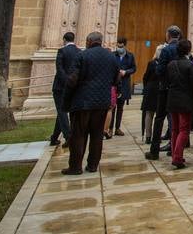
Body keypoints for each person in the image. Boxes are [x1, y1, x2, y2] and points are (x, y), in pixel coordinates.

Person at [62, 31, 120, 175]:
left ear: (88, 41)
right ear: (101, 41)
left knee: (78, 135)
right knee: (97, 135)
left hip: (82, 102)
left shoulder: (82, 55)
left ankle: (75, 167)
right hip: (102, 102)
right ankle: (93, 165)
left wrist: (66, 100)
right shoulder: (111, 57)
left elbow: (72, 80)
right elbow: (116, 80)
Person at [145, 25, 181, 161]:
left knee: (159, 118)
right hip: (179, 89)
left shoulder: (166, 50)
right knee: (175, 118)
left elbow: (159, 70)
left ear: (168, 35)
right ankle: (174, 147)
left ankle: (154, 150)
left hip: (165, 88)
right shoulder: (182, 48)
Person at [167, 38, 193, 169]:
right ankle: (177, 157)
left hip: (172, 98)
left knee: (175, 129)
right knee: (184, 130)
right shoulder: (190, 65)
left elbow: (168, 80)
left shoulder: (171, 64)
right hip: (185, 99)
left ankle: (175, 154)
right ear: (188, 50)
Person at [49, 31, 80, 148]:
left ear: (64, 40)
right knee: (61, 112)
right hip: (73, 86)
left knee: (61, 111)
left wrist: (66, 81)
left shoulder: (62, 51)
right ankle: (54, 138)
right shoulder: (79, 52)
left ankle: (68, 137)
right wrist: (72, 82)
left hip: (60, 87)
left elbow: (59, 69)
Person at [108, 36, 136, 136]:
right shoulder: (112, 55)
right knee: (112, 107)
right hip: (114, 84)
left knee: (120, 107)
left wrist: (126, 72)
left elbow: (134, 68)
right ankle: (110, 128)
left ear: (124, 45)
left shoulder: (130, 56)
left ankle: (117, 128)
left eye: (121, 46)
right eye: (118, 46)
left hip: (124, 83)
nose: (119, 48)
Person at [141, 47, 162, 143]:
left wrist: (145, 87)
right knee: (159, 115)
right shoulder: (165, 64)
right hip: (160, 89)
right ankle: (156, 137)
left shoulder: (151, 63)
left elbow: (146, 77)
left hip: (150, 89)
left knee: (149, 113)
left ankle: (148, 136)